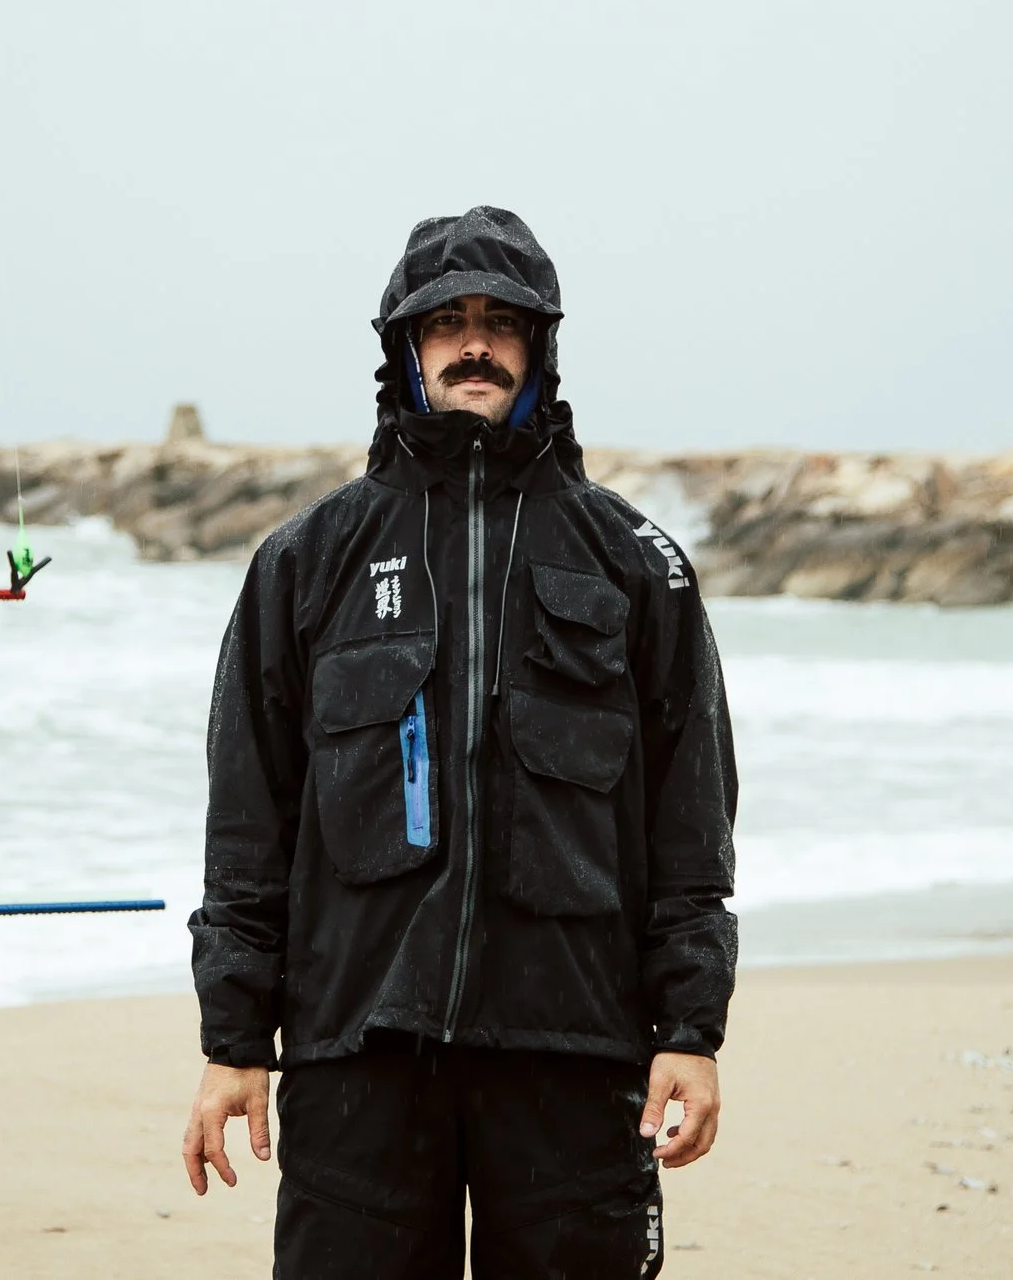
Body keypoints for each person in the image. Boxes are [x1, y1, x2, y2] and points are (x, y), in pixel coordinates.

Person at [180, 206, 739, 1278]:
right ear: (407, 346)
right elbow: (249, 819)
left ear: (539, 347)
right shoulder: (306, 561)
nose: (472, 343)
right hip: (359, 1053)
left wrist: (690, 1026)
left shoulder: (635, 562)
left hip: (576, 1056)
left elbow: (692, 822)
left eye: (500, 321)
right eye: (446, 321)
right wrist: (235, 1037)